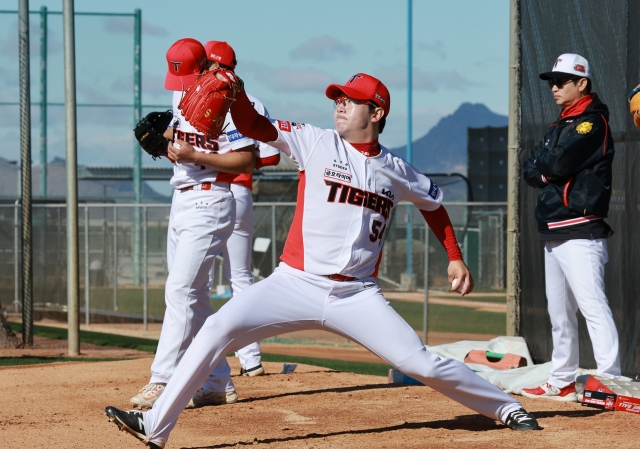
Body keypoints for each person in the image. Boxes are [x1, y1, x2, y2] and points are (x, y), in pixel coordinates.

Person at [106, 72, 540, 448]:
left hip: (357, 295)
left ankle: (506, 408)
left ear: (377, 113)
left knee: (417, 362)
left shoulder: (397, 169)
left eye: (351, 100)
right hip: (294, 283)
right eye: (338, 98)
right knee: (217, 327)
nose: (340, 105)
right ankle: (155, 424)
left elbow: (434, 204)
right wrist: (236, 97)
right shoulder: (315, 141)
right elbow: (256, 126)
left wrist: (455, 257)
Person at [129, 38, 264, 410]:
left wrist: (193, 153)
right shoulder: (181, 96)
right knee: (195, 296)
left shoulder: (228, 98)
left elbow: (245, 162)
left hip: (211, 199)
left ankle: (163, 378)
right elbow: (181, 139)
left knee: (180, 290)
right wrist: (166, 140)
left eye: (186, 76)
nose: (181, 86)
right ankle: (218, 381)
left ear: (204, 67)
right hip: (181, 200)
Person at [521, 53, 621, 402]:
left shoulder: (591, 122)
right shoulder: (558, 125)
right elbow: (530, 167)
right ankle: (562, 378)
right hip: (554, 226)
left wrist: (547, 168)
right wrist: (546, 168)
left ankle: (610, 381)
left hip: (581, 227)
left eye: (562, 81)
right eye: (552, 81)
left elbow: (557, 163)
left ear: (582, 84)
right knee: (558, 312)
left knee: (593, 306)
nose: (554, 87)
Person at [203, 41, 280, 377]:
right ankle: (251, 361)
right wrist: (243, 159)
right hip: (242, 191)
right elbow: (273, 156)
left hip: (208, 195)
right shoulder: (253, 102)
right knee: (241, 279)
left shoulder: (199, 97)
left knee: (198, 281)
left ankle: (201, 360)